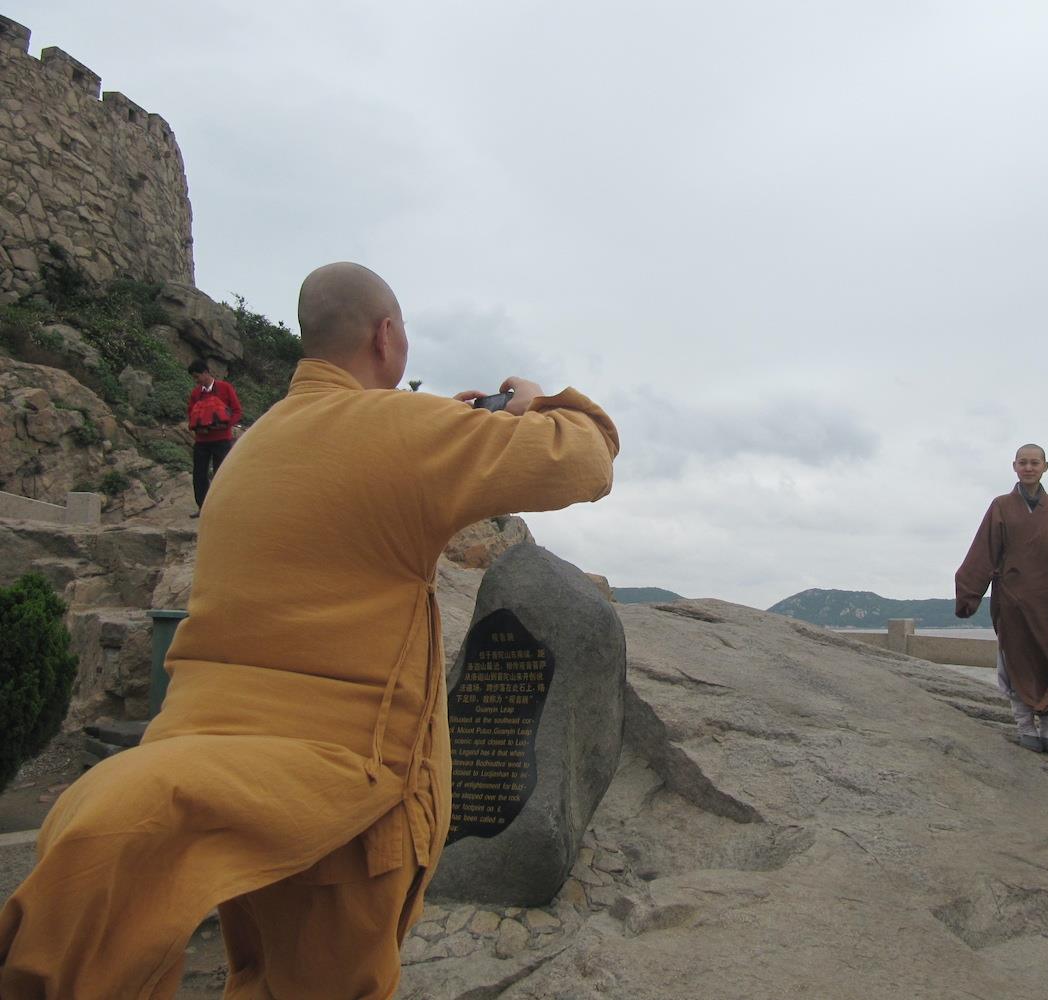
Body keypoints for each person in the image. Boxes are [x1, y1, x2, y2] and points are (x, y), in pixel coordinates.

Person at [0, 262, 619, 998]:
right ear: (386, 337)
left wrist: (440, 432)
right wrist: (532, 402)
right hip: (337, 790)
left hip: (204, 760)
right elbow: (587, 458)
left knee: (255, 969)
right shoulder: (404, 429)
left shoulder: (248, 449)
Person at [954, 443, 1048, 757]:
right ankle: (1025, 726)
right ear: (1014, 466)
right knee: (1017, 664)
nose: (1029, 468)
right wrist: (969, 594)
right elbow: (984, 550)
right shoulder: (1002, 505)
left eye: (1035, 462)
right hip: (1016, 602)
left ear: (1045, 467)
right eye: (1023, 462)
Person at [186, 359, 243, 516]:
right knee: (199, 474)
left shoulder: (225, 388)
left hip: (222, 440)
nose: (196, 380)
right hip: (201, 441)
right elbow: (191, 413)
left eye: (197, 376)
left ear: (205, 373)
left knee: (222, 474)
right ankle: (203, 507)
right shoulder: (196, 393)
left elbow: (237, 411)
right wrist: (198, 428)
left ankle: (222, 507)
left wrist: (225, 425)